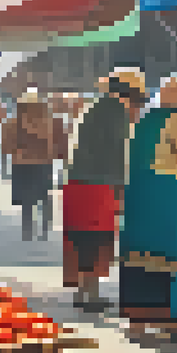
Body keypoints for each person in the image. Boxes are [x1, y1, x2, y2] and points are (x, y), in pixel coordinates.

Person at [119, 77, 177, 340]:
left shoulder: (145, 120)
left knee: (138, 254)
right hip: (166, 193)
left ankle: (137, 318)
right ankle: (174, 320)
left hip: (138, 194)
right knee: (172, 252)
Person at [64, 69, 144, 311]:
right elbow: (121, 151)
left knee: (80, 237)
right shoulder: (116, 112)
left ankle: (81, 292)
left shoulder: (93, 107)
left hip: (77, 182)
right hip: (99, 183)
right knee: (97, 237)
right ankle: (92, 293)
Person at [5, 89, 66, 241]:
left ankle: (27, 231)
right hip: (43, 162)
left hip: (23, 163)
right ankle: (44, 229)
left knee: (27, 200)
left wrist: (17, 152)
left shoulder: (15, 121)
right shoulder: (50, 120)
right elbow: (60, 142)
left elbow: (7, 144)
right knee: (44, 195)